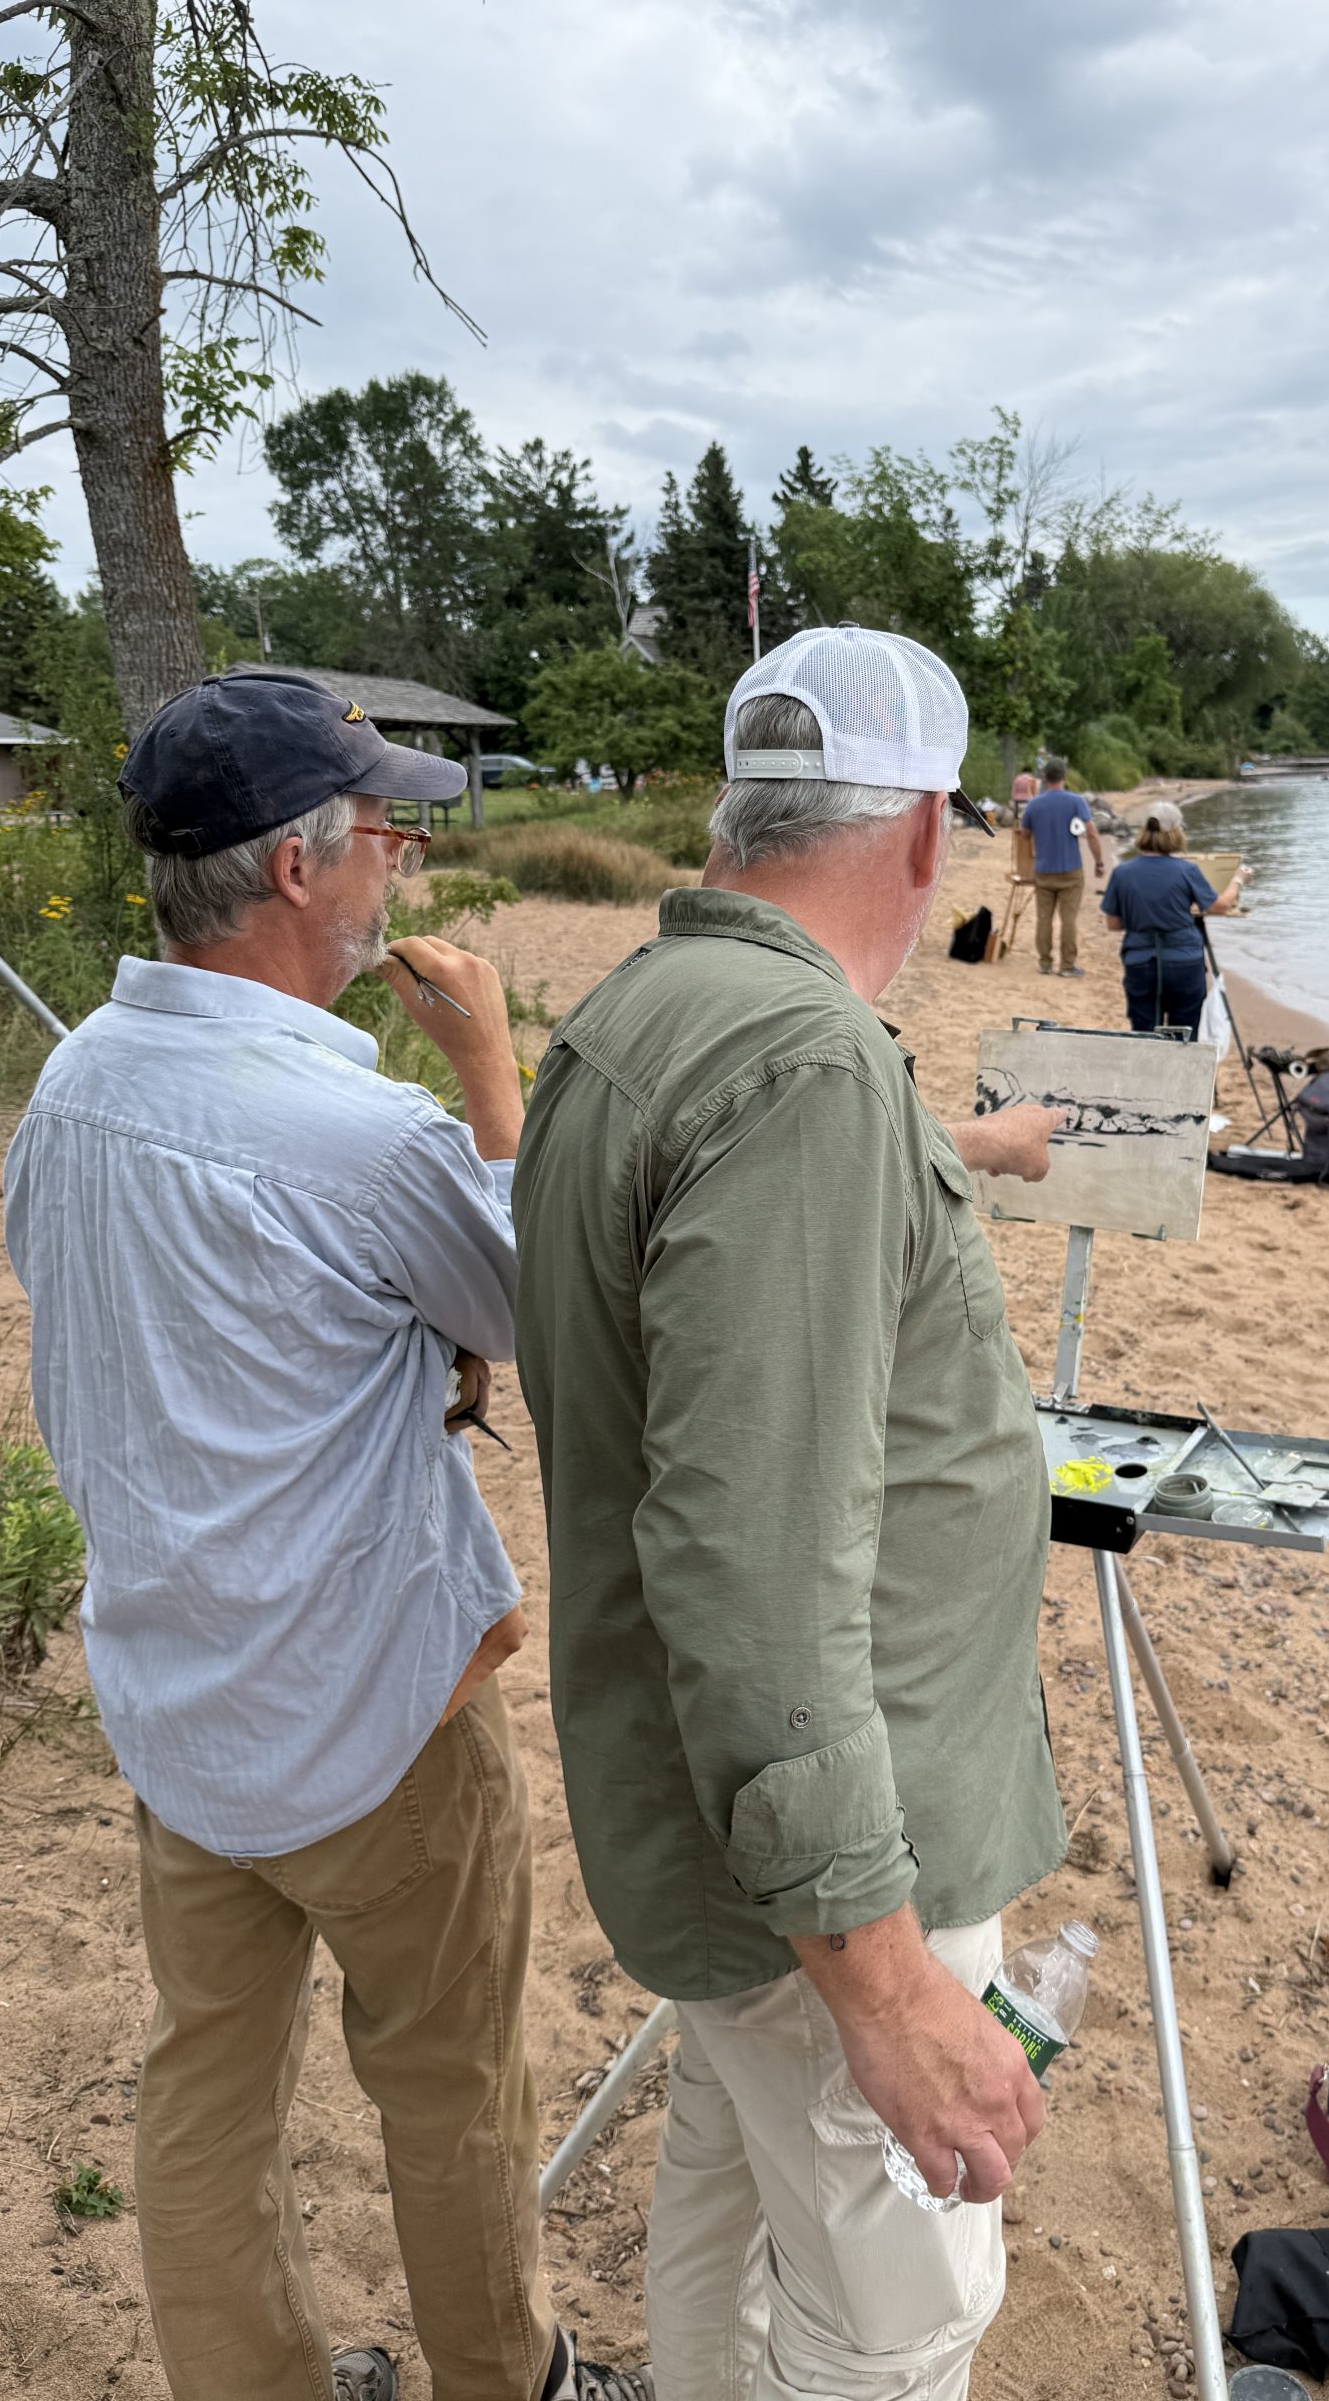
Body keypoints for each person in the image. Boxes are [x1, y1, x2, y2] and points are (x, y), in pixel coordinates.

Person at [3, 671, 646, 2401]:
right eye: (382, 832)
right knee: (447, 2089)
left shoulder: (72, 1086)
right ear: (296, 871)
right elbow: (535, 1305)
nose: (398, 868)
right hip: (378, 1723)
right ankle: (507, 2383)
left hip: (176, 1695)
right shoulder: (360, 1138)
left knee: (203, 2075)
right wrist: (493, 1074)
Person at [513, 623, 1069, 2401]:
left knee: (727, 2204)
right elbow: (750, 1558)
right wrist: (888, 1979)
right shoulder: (804, 1063)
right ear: (924, 837)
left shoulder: (637, 1012)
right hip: (827, 1854)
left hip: (716, 1816)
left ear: (734, 821)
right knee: (897, 2322)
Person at [1100, 814, 1246, 1035]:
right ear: (1176, 835)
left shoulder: (1122, 872)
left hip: (1141, 962)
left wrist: (1144, 915)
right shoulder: (1186, 870)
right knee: (1184, 1034)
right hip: (1184, 962)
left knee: (1144, 1033)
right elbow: (1221, 906)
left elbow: (1113, 924)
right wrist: (1238, 880)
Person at [1019, 759, 1105, 976]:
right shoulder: (1077, 802)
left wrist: (1030, 861)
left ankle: (1045, 962)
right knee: (1069, 919)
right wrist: (1099, 862)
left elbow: (1025, 835)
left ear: (1045, 778)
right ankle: (1067, 965)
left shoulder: (1034, 804)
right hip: (1070, 870)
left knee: (1044, 918)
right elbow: (1092, 833)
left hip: (1043, 869)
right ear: (1064, 776)